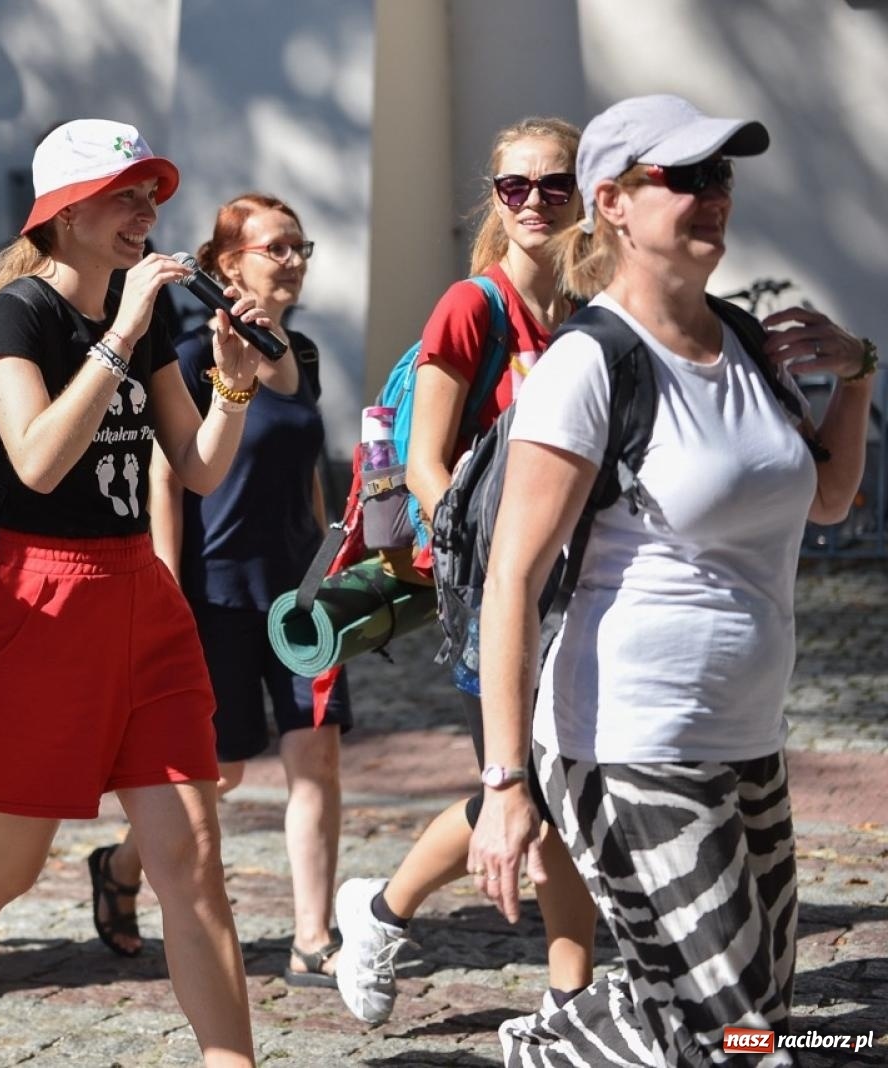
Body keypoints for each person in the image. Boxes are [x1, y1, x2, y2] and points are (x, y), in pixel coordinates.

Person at [469, 94, 873, 1065]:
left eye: (721, 177)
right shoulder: (589, 364)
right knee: (736, 1042)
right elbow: (510, 581)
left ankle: (560, 1045)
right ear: (610, 201)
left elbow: (824, 500)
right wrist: (502, 783)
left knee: (751, 1018)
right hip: (628, 742)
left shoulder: (740, 339)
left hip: (745, 736)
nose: (711, 197)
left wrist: (855, 379)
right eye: (683, 178)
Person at [0, 118, 266, 1068]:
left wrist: (236, 389)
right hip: (36, 604)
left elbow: (198, 469)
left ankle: (233, 1059)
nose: (147, 212)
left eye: (150, 194)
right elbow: (40, 460)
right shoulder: (19, 312)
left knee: (193, 862)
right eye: (126, 193)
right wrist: (125, 328)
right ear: (65, 211)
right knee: (3, 866)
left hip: (141, 596)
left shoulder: (149, 318)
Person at [332, 117, 598, 1027]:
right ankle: (562, 991)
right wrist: (489, 565)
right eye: (513, 186)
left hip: (581, 587)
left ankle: (385, 911)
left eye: (552, 185)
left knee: (548, 783)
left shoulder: (586, 312)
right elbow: (424, 462)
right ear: (493, 196)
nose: (532, 201)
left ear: (586, 195)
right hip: (499, 591)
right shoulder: (473, 306)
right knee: (534, 781)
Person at [88, 194, 352, 987]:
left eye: (302, 246)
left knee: (318, 759)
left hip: (299, 593)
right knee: (221, 768)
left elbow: (305, 468)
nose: (295, 259)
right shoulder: (194, 354)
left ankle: (313, 935)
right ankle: (120, 864)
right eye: (277, 247)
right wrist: (167, 588)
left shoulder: (299, 351)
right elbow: (167, 476)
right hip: (216, 589)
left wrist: (327, 556)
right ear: (228, 264)